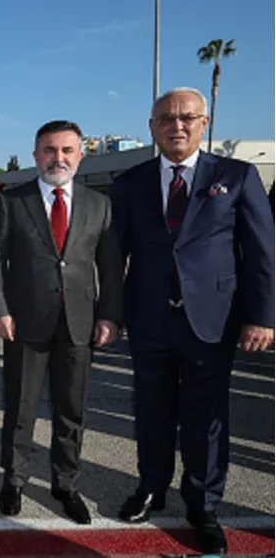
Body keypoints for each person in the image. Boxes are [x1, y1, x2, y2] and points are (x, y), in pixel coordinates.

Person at [111, 88, 274, 555]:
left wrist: (262, 316)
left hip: (213, 321)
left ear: (204, 123)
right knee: (152, 412)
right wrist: (112, 315)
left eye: (186, 117)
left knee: (206, 418)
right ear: (152, 127)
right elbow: (114, 255)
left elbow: (262, 253)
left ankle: (202, 504)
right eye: (166, 118)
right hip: (149, 320)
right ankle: (151, 487)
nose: (176, 126)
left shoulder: (237, 176)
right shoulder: (130, 182)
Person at [0, 120, 124, 524]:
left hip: (79, 324)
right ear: (35, 156)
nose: (58, 158)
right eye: (49, 150)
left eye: (67, 150)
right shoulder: (12, 201)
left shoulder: (99, 205)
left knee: (71, 411)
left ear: (81, 156)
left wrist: (110, 316)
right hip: (24, 323)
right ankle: (14, 481)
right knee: (20, 409)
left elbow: (110, 267)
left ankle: (66, 485)